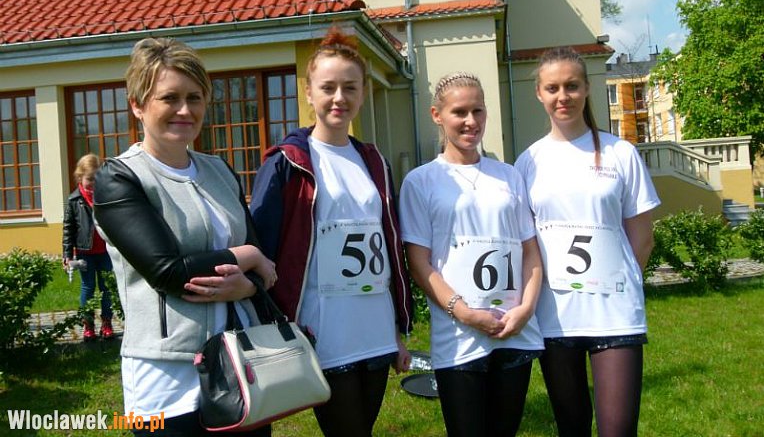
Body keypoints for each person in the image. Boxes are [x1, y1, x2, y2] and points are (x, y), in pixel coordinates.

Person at [93, 37, 277, 437]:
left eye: (195, 97)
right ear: (137, 105)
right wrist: (247, 256)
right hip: (166, 378)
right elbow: (169, 272)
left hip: (241, 362)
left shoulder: (219, 171)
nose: (184, 110)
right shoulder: (119, 178)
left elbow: (265, 265)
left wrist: (247, 286)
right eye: (169, 98)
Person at [249, 28, 413, 437]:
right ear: (308, 92)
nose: (339, 97)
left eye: (350, 87)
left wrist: (397, 329)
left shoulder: (373, 160)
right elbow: (263, 243)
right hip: (324, 332)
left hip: (375, 329)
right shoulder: (287, 161)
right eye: (328, 87)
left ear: (363, 93)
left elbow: (388, 247)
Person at [515, 46, 661, 437]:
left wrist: (617, 283)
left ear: (587, 88)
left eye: (572, 86)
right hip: (556, 317)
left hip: (614, 314)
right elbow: (526, 246)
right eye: (552, 88)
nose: (563, 96)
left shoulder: (621, 154)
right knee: (572, 427)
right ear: (539, 94)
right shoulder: (528, 162)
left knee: (618, 430)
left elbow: (642, 238)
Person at [398, 72, 544, 437]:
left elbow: (530, 251)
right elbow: (418, 262)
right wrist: (463, 312)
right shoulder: (421, 181)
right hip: (458, 337)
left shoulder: (509, 176)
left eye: (478, 111)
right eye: (459, 112)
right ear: (437, 115)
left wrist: (526, 309)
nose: (471, 121)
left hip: (513, 331)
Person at [62, 153, 114, 342]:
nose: (93, 183)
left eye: (97, 179)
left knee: (107, 288)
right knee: (88, 287)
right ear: (80, 177)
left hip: (106, 251)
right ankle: (88, 324)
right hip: (85, 253)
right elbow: (68, 229)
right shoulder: (74, 200)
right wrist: (67, 254)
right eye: (90, 179)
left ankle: (107, 322)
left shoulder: (106, 196)